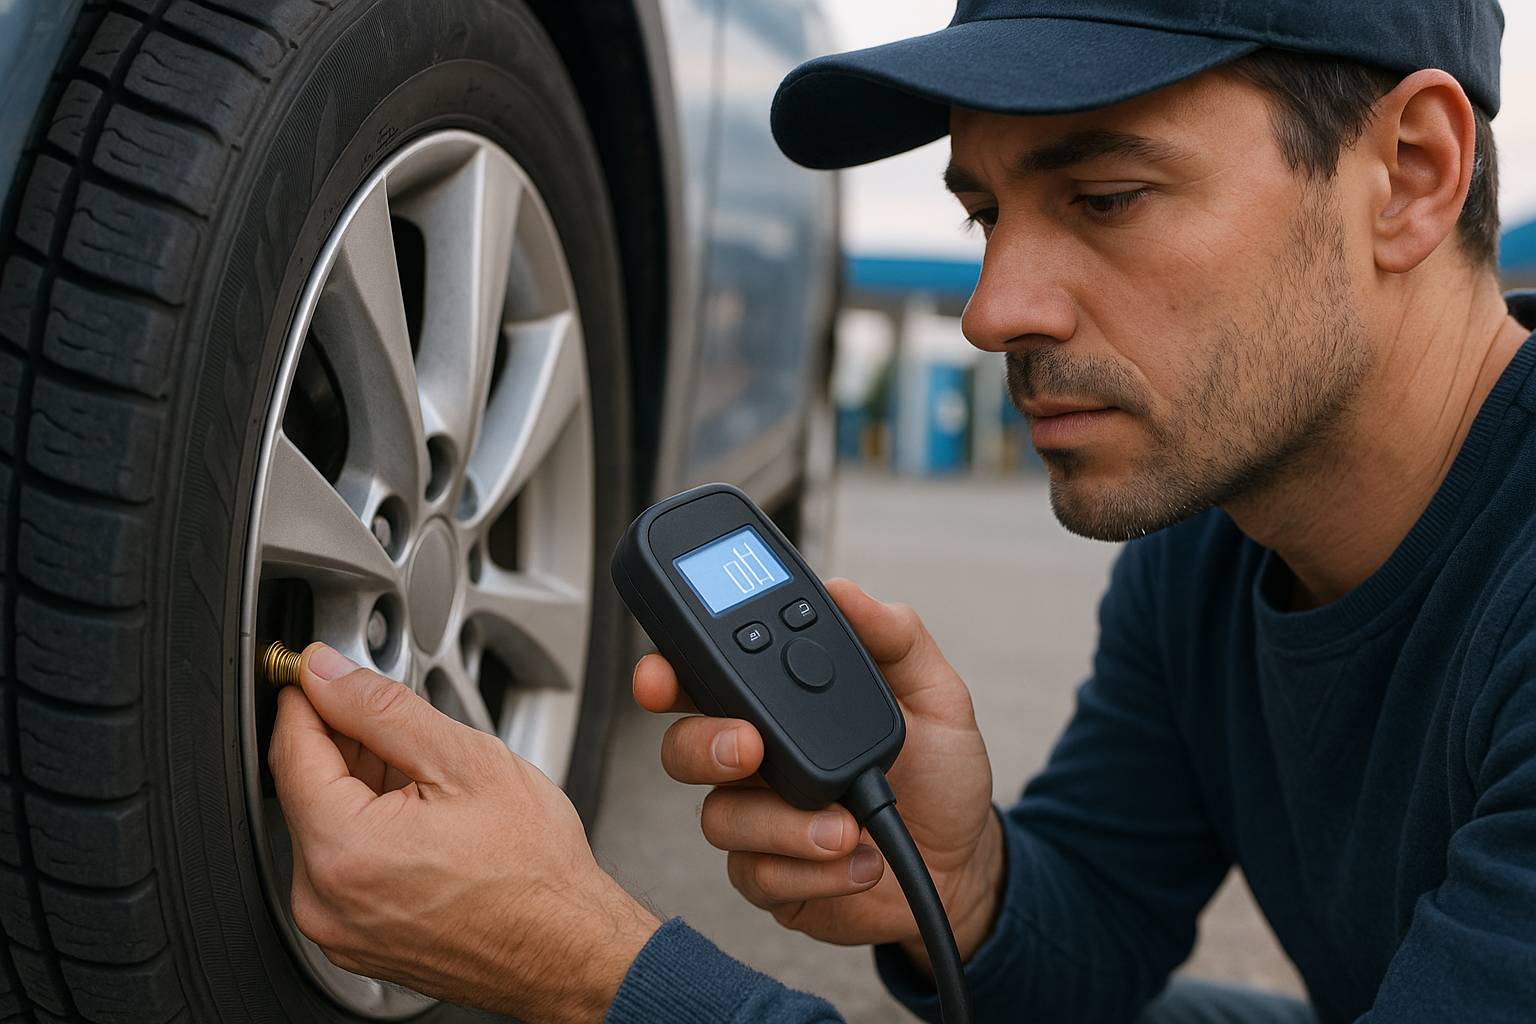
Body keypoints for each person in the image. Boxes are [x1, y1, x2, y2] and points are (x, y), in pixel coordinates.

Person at [268, 0, 1536, 1020]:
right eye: (984, 214)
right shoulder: (1216, 541)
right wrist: (966, 879)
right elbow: (1100, 923)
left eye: (1106, 197)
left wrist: (589, 968)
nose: (993, 310)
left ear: (1411, 176)